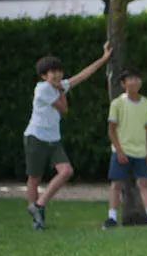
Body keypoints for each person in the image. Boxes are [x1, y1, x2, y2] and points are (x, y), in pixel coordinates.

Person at [23, 42, 112, 230]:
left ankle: (38, 205)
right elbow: (64, 109)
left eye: (58, 70)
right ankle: (37, 220)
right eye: (51, 72)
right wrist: (62, 89)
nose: (56, 74)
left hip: (53, 139)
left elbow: (82, 75)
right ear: (43, 76)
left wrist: (103, 59)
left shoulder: (59, 86)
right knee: (34, 179)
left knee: (66, 171)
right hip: (36, 137)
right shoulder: (43, 89)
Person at [103, 68, 147, 228]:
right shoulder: (117, 104)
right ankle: (111, 218)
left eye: (137, 78)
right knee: (116, 184)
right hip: (121, 151)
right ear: (123, 84)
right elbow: (111, 130)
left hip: (140, 152)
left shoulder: (146, 103)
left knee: (143, 183)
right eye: (130, 79)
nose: (134, 82)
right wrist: (119, 150)